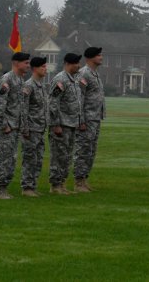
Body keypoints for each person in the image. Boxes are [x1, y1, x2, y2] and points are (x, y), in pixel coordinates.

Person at [0, 52, 30, 199]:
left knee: (11, 159)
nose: (28, 65)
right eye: (26, 63)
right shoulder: (6, 79)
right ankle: (0, 190)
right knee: (4, 158)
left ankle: (4, 188)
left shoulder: (20, 80)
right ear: (16, 63)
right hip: (7, 128)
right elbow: (0, 105)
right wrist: (3, 125)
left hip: (15, 127)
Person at [48, 53, 85, 195]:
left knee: (67, 156)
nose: (79, 66)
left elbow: (76, 103)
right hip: (61, 125)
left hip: (71, 125)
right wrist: (56, 124)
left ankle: (62, 183)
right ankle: (55, 185)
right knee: (58, 156)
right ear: (69, 64)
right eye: (76, 63)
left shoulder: (73, 80)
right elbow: (53, 102)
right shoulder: (60, 79)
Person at [74, 47, 106, 193]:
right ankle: (78, 182)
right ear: (90, 58)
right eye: (98, 55)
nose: (101, 57)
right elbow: (79, 98)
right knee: (83, 150)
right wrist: (81, 120)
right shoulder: (83, 74)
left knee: (91, 150)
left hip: (95, 118)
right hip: (86, 119)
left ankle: (84, 179)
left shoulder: (95, 74)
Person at [20, 56, 49, 197]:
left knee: (38, 160)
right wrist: (25, 128)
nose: (46, 69)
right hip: (31, 130)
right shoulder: (28, 86)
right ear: (35, 69)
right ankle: (27, 188)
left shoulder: (42, 85)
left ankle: (33, 186)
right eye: (43, 67)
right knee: (30, 159)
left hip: (40, 129)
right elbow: (23, 109)